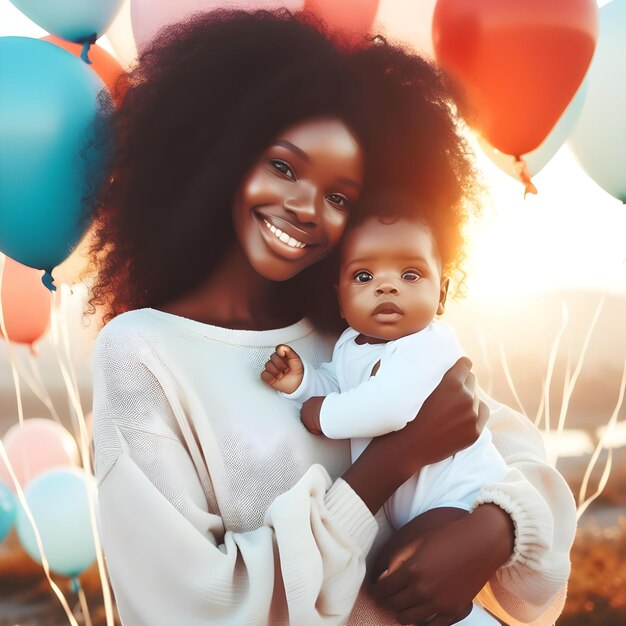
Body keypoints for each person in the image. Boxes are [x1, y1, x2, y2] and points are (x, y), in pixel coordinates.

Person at [87, 9, 576, 626]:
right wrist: (391, 464)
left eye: (340, 196)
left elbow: (515, 462)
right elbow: (189, 606)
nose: (305, 208)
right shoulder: (142, 354)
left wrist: (494, 530)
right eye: (284, 167)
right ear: (221, 157)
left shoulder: (354, 329)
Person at [262, 208, 510, 625]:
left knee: (404, 574)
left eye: (410, 275)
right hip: (422, 507)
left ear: (443, 294)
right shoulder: (349, 346)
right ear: (340, 299)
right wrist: (304, 384)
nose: (387, 287)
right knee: (401, 583)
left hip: (459, 496)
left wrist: (321, 414)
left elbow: (387, 408)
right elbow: (341, 388)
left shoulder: (428, 345)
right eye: (364, 277)